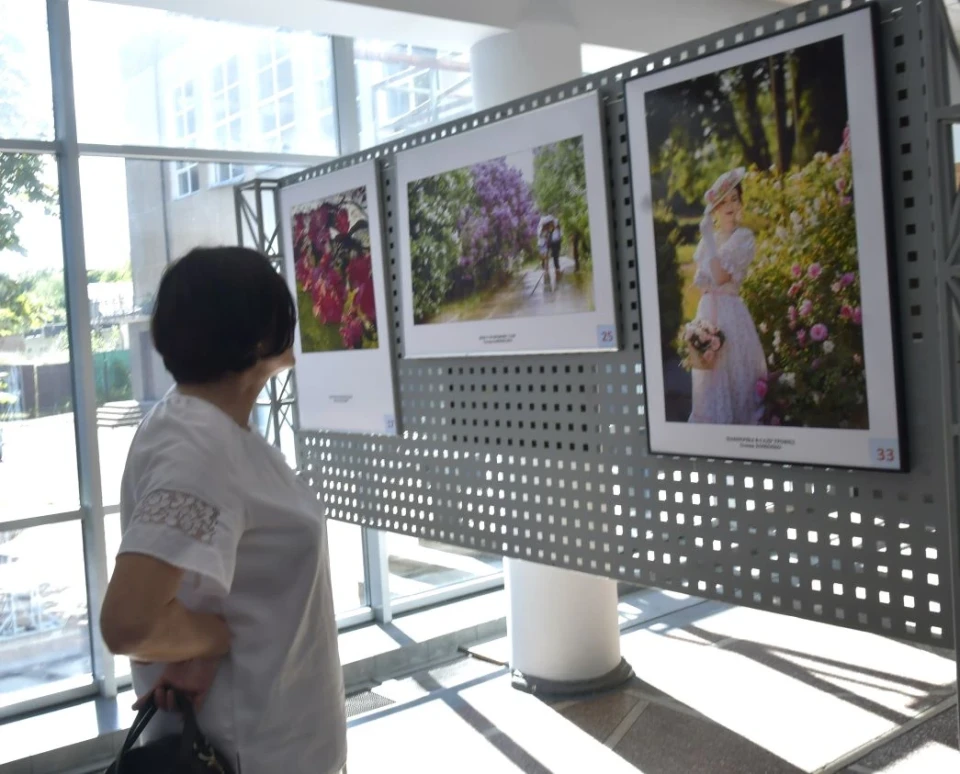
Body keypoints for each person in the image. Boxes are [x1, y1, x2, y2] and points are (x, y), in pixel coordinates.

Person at [99, 246, 347, 774]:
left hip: (270, 734)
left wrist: (199, 646)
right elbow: (128, 623)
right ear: (259, 336)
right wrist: (212, 638)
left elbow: (207, 584)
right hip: (251, 747)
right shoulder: (199, 445)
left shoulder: (208, 425)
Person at [688, 168, 767, 425]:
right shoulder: (708, 242)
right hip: (708, 313)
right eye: (724, 201)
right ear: (715, 209)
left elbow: (721, 277)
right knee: (710, 376)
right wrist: (701, 328)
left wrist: (709, 239)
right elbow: (702, 283)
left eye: (735, 199)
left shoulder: (743, 238)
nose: (731, 205)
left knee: (733, 374)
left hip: (730, 314)